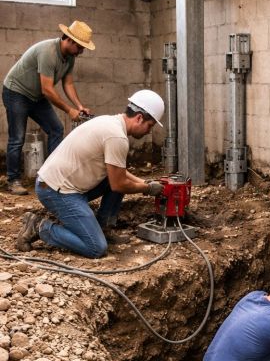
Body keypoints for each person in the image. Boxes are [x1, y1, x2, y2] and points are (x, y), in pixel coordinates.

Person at [15, 90, 165, 259]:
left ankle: (103, 228)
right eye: (149, 126)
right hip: (54, 190)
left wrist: (145, 182)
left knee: (114, 177)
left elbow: (118, 173)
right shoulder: (117, 137)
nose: (148, 131)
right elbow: (119, 184)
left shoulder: (111, 122)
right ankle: (39, 227)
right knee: (96, 248)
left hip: (59, 183)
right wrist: (147, 189)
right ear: (139, 117)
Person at [2, 20, 95, 195]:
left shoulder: (69, 58)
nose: (82, 51)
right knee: (17, 138)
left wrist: (79, 106)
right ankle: (13, 180)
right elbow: (47, 90)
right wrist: (69, 110)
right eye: (80, 47)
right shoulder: (48, 52)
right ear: (69, 40)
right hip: (16, 92)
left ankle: (50, 177)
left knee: (56, 129)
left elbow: (68, 84)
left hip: (36, 96)